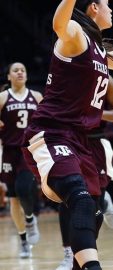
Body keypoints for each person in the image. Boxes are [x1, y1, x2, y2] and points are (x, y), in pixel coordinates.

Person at [22, 1, 113, 269]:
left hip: (80, 140)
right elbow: (58, 25)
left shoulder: (98, 48)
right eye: (108, 4)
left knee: (94, 212)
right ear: (94, 8)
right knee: (81, 199)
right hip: (52, 132)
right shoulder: (75, 33)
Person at [56, 75, 113, 270]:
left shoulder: (105, 80)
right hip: (69, 143)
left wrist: (96, 113)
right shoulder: (65, 75)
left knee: (93, 209)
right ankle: (71, 255)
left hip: (95, 143)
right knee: (67, 199)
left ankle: (104, 201)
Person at [0, 62, 43, 258]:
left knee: (24, 188)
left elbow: (45, 125)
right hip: (9, 152)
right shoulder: (2, 98)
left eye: (23, 70)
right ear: (8, 77)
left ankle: (30, 217)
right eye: (15, 70)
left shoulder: (36, 97)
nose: (20, 73)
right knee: (13, 199)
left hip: (28, 151)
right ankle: (24, 240)